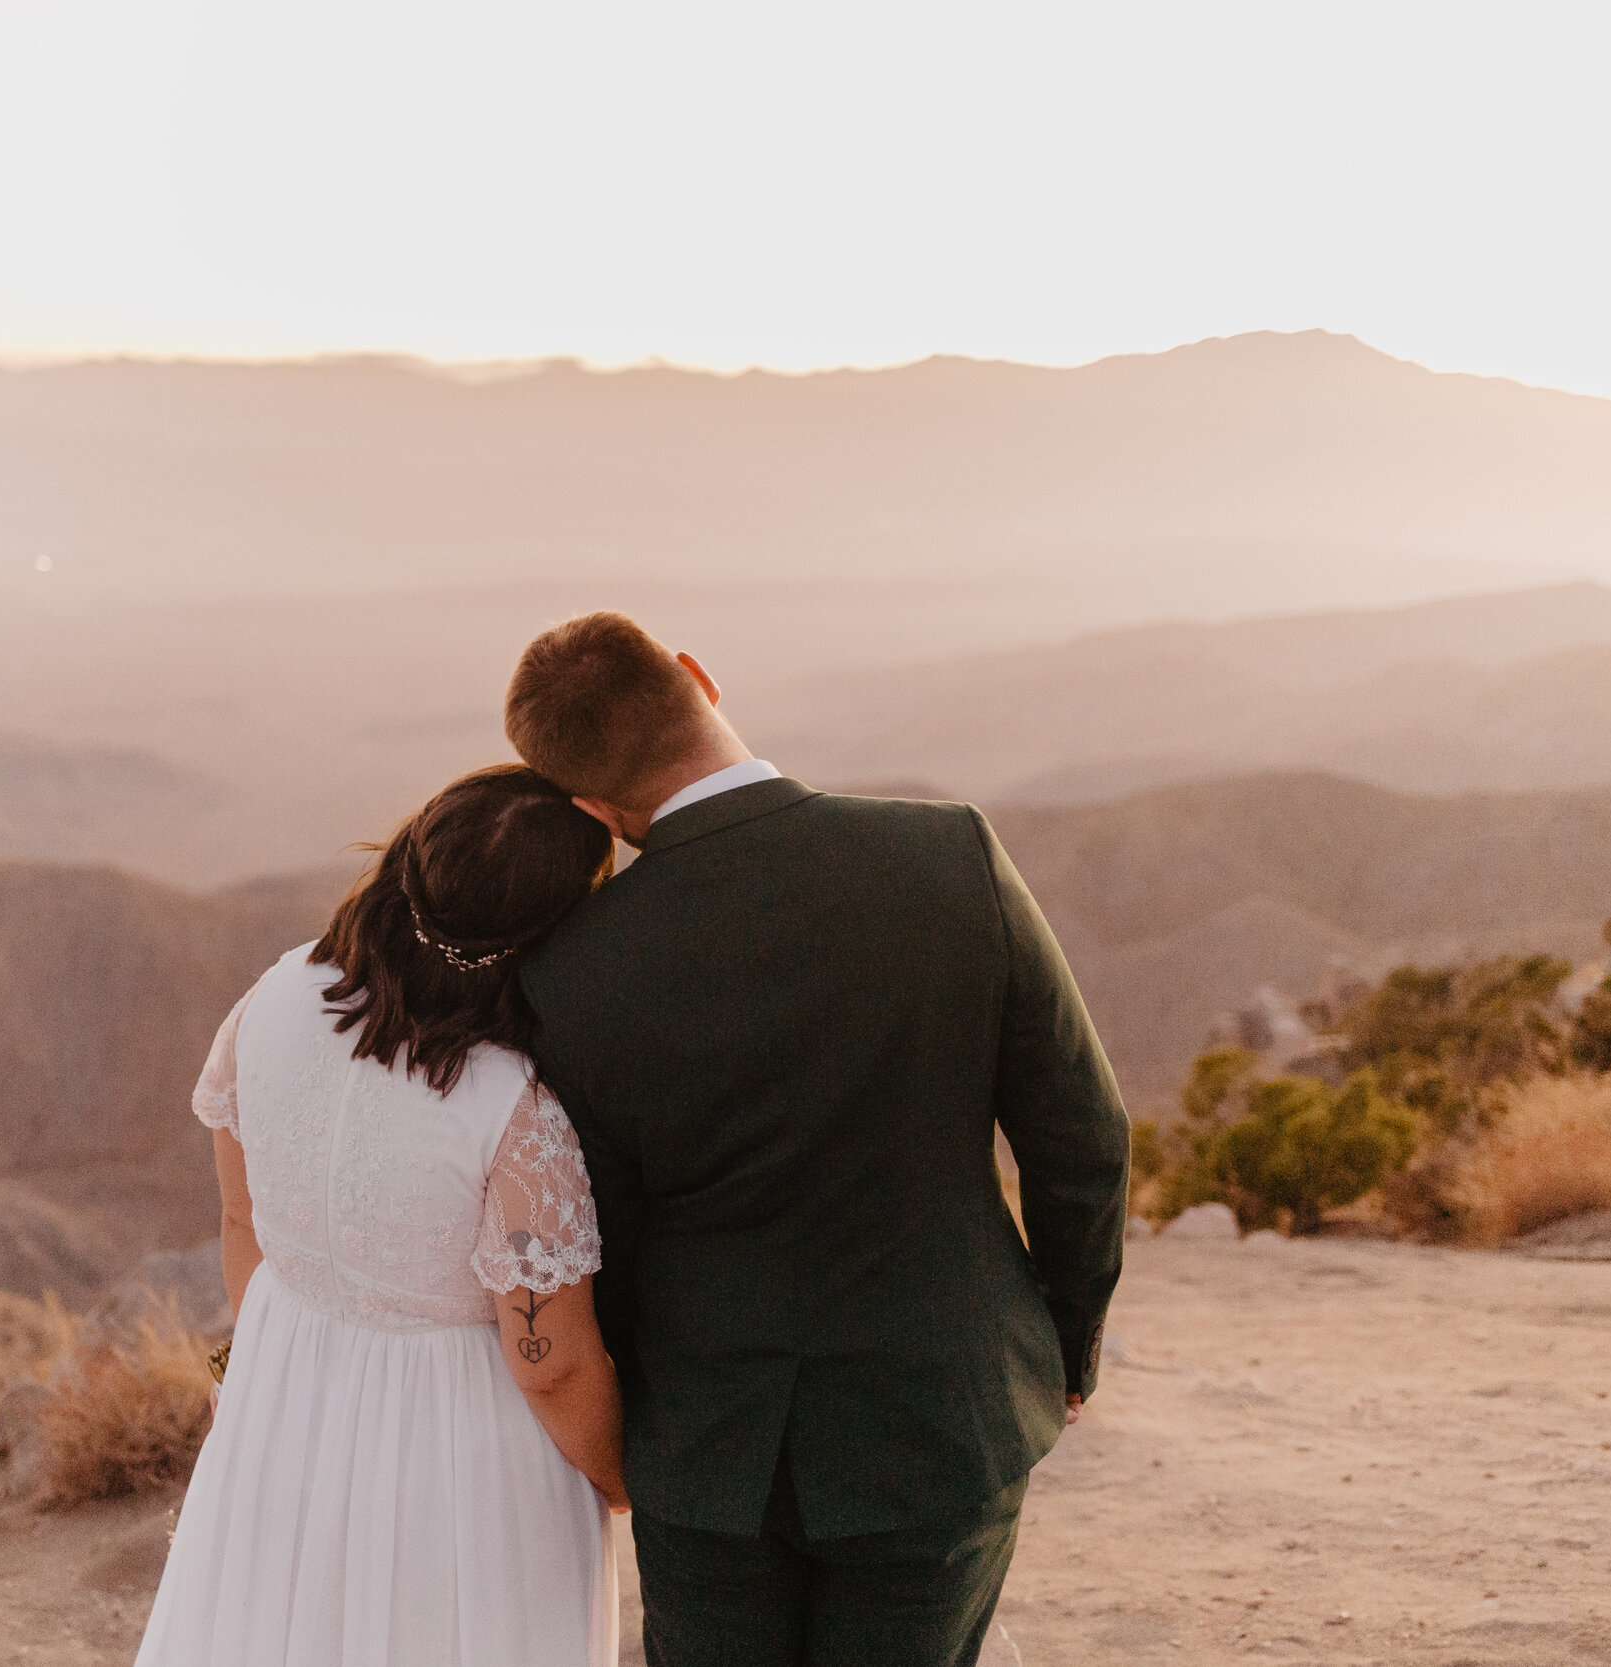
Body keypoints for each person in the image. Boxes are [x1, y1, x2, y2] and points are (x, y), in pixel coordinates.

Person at [506, 612, 1131, 1667]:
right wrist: (1064, 1342)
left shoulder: (570, 971)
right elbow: (1080, 1134)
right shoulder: (948, 855)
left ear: (593, 810)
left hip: (705, 1447)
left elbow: (595, 1233)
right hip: (944, 1409)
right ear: (698, 675)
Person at [133, 764, 628, 1667]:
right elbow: (548, 1361)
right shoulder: (513, 1112)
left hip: (285, 1387)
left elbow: (241, 1220)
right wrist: (621, 1478)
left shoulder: (275, 998)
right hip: (462, 1453)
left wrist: (293, 1383)